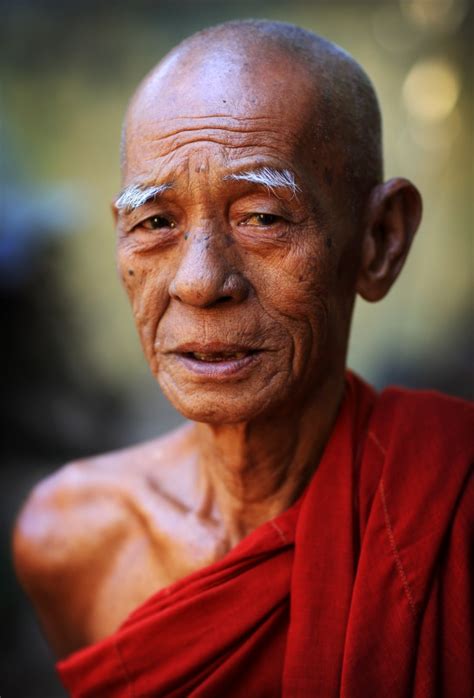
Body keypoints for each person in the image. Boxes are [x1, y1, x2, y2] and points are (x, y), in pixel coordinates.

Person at [13, 19, 473, 698]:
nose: (199, 281)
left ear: (380, 240)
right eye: (156, 223)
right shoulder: (71, 540)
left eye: (262, 217)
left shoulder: (450, 504)